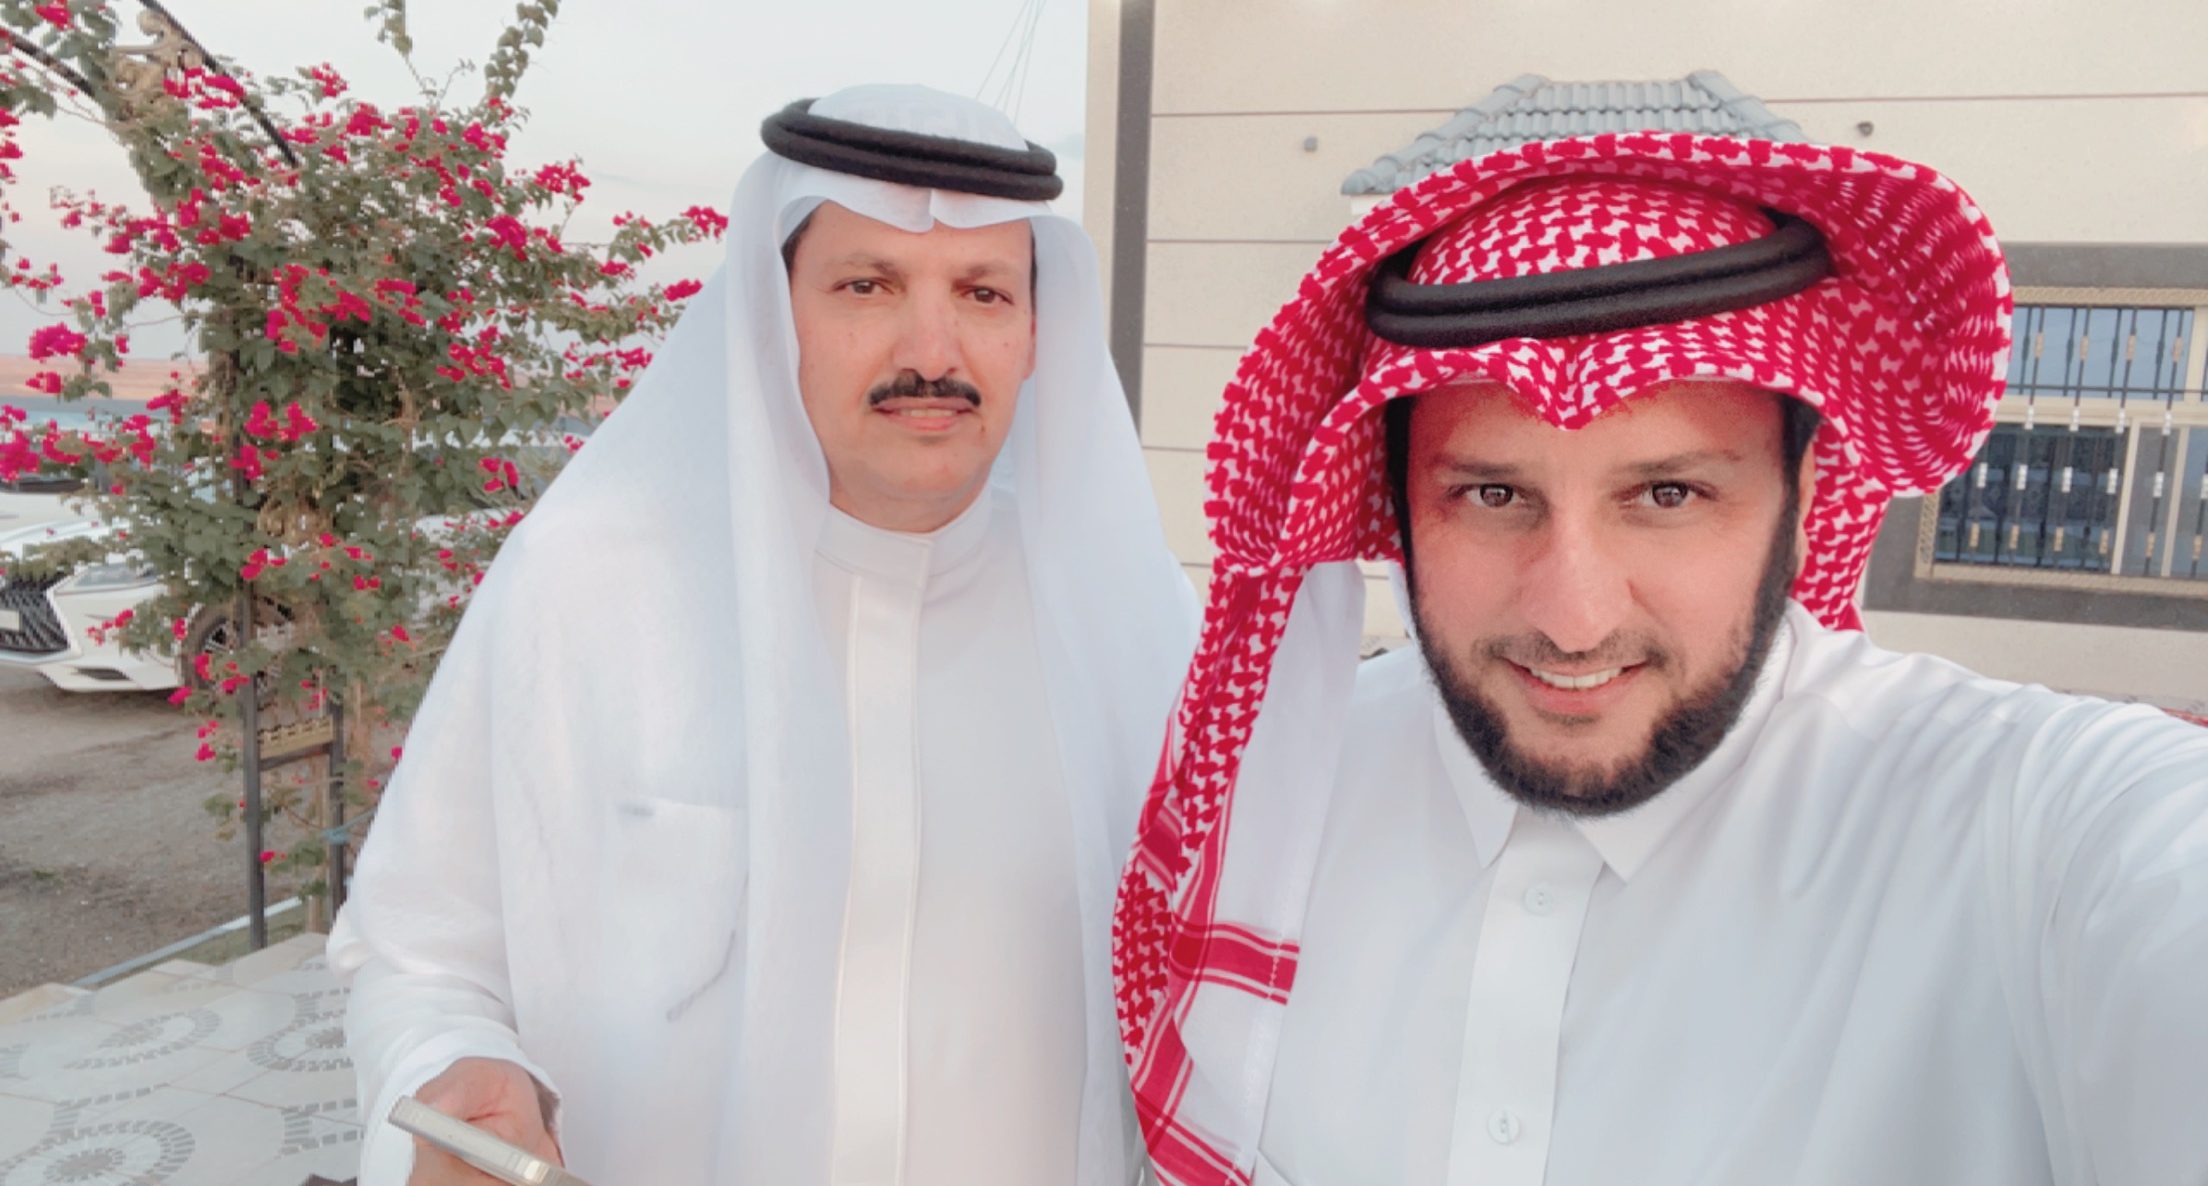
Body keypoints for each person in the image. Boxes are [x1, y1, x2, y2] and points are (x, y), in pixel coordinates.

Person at [1112, 132, 2208, 1186]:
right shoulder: (1276, 791)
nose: (1574, 618)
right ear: (1397, 508)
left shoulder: (2021, 822)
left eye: (1668, 494)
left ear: (1804, 497)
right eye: (1492, 495)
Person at [331, 84, 1194, 1186]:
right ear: (773, 312)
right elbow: (417, 951)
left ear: (1034, 335)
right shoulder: (589, 589)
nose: (932, 350)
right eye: (867, 285)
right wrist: (451, 1066)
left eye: (983, 292)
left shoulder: (1132, 624)